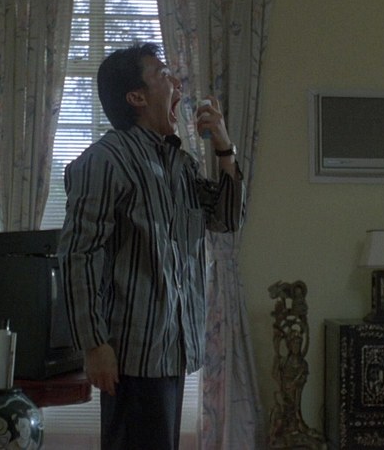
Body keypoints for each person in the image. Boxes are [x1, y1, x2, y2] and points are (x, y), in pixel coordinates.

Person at [57, 42, 245, 450]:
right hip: (131, 357)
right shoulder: (105, 160)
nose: (176, 83)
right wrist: (94, 344)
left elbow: (226, 219)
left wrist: (224, 147)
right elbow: (78, 255)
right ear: (136, 97)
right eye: (163, 75)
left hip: (171, 350)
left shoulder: (179, 164)